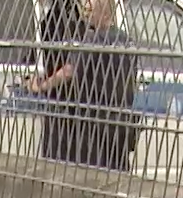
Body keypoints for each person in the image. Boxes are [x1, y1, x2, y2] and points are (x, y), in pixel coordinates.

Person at [27, 0, 139, 171]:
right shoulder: (127, 42)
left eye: (89, 9)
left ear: (104, 11)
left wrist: (41, 86)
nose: (85, 13)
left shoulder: (93, 41)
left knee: (91, 173)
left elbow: (69, 71)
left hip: (94, 126)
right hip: (119, 127)